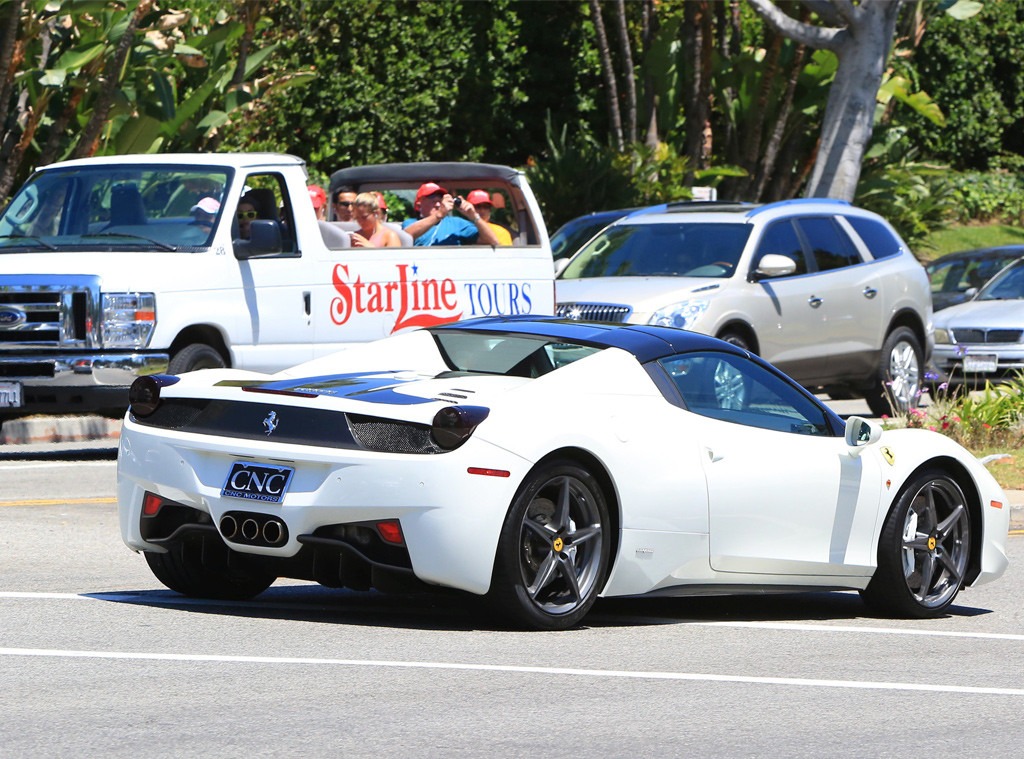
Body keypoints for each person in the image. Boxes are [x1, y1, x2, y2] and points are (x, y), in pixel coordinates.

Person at [402, 182, 499, 247]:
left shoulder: (457, 223)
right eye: (432, 200)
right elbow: (405, 237)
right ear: (419, 205)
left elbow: (493, 241)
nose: (438, 204)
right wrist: (438, 215)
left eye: (440, 200)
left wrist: (473, 215)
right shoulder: (411, 223)